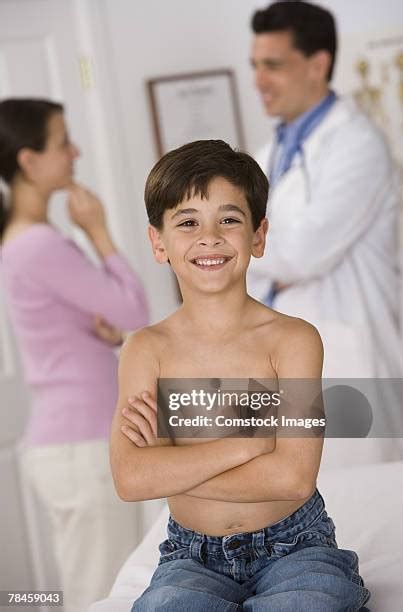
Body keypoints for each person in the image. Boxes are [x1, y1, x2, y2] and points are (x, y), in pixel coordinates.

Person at [110, 139, 370, 611]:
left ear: (258, 235)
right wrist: (250, 443)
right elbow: (130, 479)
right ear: (158, 242)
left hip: (296, 547)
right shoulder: (146, 350)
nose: (209, 238)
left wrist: (168, 469)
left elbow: (293, 478)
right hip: (191, 556)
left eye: (229, 219)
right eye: (187, 222)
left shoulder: (293, 341)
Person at [0, 98, 149, 612]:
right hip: (79, 447)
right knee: (98, 598)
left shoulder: (28, 244)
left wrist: (101, 338)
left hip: (75, 443)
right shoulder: (38, 245)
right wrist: (99, 231)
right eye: (64, 142)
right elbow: (134, 311)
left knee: (102, 590)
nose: (75, 152)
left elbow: (90, 326)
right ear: (28, 160)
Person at [246, 0, 403, 379]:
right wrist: (253, 250)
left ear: (318, 65)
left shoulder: (357, 144)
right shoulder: (268, 154)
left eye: (274, 65)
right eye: (255, 66)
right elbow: (251, 255)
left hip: (349, 355)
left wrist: (238, 245)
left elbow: (302, 253)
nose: (258, 81)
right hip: (281, 353)